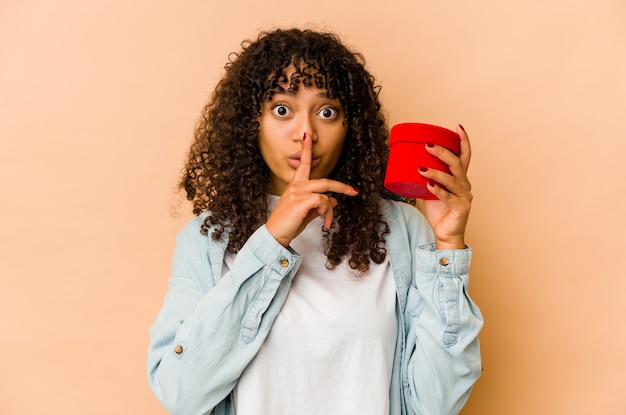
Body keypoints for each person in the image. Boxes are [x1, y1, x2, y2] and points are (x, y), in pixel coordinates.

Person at [147, 28, 483, 415]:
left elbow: (436, 405)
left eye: (327, 112)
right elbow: (181, 394)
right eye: (282, 109)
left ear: (350, 126)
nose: (306, 133)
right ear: (250, 122)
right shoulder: (208, 239)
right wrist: (271, 241)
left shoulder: (402, 230)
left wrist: (448, 244)